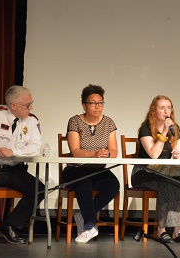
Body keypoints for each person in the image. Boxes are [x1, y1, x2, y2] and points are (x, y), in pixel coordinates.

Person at [0, 85, 45, 248]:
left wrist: (13, 151)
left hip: (13, 169)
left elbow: (35, 147)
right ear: (13, 105)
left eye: (31, 103)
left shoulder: (32, 120)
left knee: (39, 189)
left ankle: (8, 226)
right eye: (28, 105)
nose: (31, 108)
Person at [131, 95, 180, 244]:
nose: (166, 111)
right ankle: (161, 230)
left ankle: (177, 231)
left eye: (169, 107)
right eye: (162, 108)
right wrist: (164, 133)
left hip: (165, 172)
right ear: (154, 110)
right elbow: (153, 155)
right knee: (167, 185)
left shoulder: (175, 128)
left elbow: (178, 158)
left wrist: (177, 153)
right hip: (144, 172)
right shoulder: (146, 128)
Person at [62, 84, 120, 244]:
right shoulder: (75, 121)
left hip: (97, 170)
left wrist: (107, 154)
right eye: (93, 103)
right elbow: (75, 151)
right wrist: (93, 154)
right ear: (84, 105)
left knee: (113, 184)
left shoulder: (108, 123)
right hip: (76, 169)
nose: (97, 107)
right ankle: (89, 225)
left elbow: (114, 151)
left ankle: (84, 215)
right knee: (84, 182)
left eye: (100, 103)